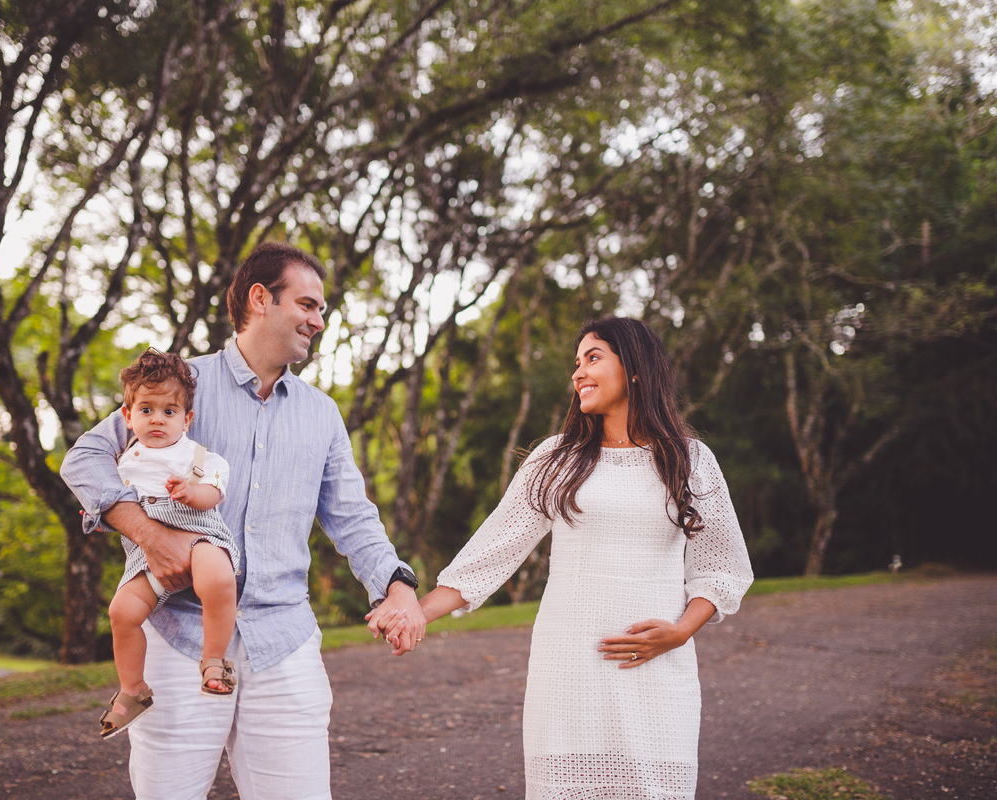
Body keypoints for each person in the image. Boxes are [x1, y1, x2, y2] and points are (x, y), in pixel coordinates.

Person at [60, 242, 425, 800]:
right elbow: (84, 458)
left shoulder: (321, 415)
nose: (318, 320)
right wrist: (148, 535)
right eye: (307, 304)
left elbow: (352, 517)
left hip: (285, 643)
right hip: (179, 635)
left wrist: (396, 585)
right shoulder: (180, 386)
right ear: (260, 299)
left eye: (321, 310)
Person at [377, 316, 753, 800]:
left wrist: (680, 631)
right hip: (569, 673)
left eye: (593, 358)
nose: (577, 373)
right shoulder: (557, 459)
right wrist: (414, 612)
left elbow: (721, 567)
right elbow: (493, 552)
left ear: (635, 369)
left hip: (656, 674)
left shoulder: (690, 459)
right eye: (576, 363)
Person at [98, 348, 241, 740]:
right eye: (146, 409)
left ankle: (213, 659)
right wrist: (98, 520)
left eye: (169, 411)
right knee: (122, 611)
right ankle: (133, 690)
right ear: (128, 416)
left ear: (186, 419)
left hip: (200, 537)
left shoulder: (198, 456)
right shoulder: (122, 464)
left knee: (218, 580)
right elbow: (117, 509)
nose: (157, 419)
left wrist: (190, 491)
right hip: (145, 556)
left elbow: (214, 495)